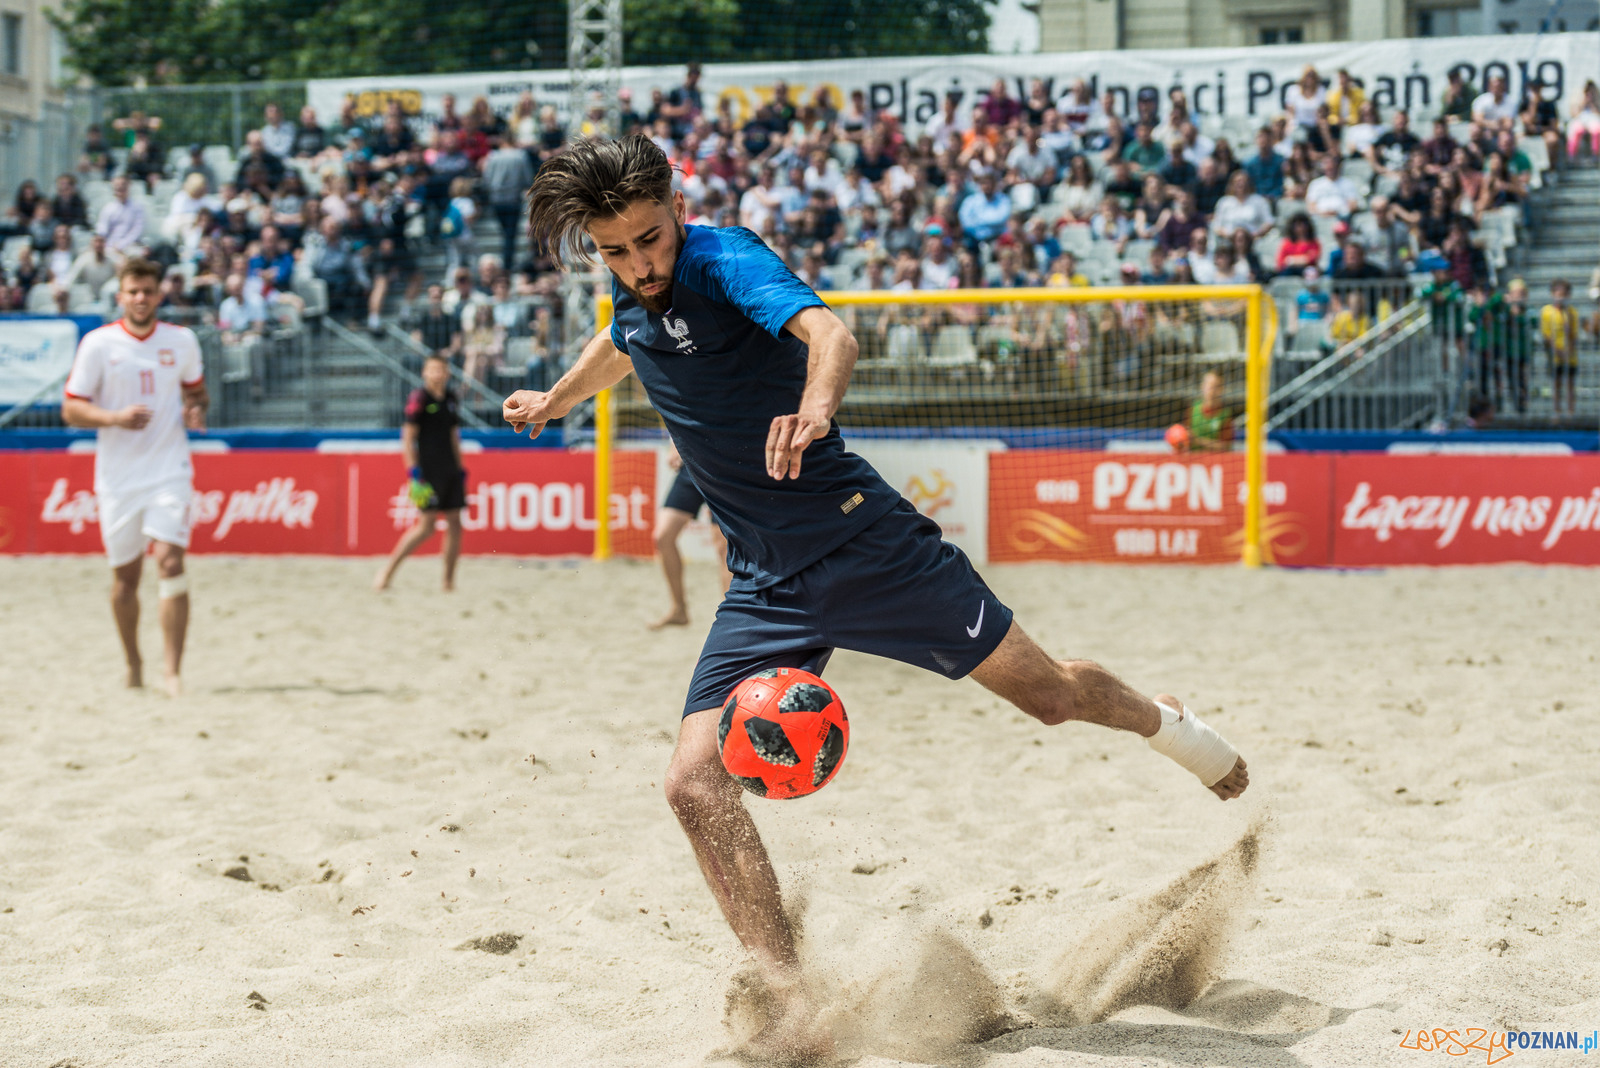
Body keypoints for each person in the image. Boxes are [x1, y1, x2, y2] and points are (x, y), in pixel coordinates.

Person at [505, 136, 1250, 1059]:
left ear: (677, 209)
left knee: (1053, 697)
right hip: (766, 582)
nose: (638, 265)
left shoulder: (724, 257)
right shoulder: (630, 285)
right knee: (691, 782)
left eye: (649, 241)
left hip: (868, 546)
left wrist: (816, 407)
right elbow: (620, 341)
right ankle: (788, 997)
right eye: (614, 251)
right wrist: (555, 400)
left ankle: (1172, 726)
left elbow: (831, 334)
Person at [60, 258, 208, 697]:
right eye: (133, 291)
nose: (141, 298)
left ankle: (172, 671)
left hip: (169, 470)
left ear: (160, 294)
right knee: (125, 580)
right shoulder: (98, 344)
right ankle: (134, 662)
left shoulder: (182, 341)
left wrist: (198, 408)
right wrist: (114, 417)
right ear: (120, 295)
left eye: (148, 290)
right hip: (118, 478)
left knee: (170, 561)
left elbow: (197, 391)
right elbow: (71, 409)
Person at [375, 354, 467, 591]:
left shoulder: (450, 397)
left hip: (450, 469)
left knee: (455, 523)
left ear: (447, 373)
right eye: (433, 369)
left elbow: (453, 436)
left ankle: (448, 582)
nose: (438, 373)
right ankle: (387, 572)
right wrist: (413, 474)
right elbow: (407, 438)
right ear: (425, 373)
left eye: (442, 369)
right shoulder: (419, 398)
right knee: (426, 526)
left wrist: (460, 467)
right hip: (427, 472)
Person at [650, 440, 731, 630]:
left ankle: (728, 621)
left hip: (724, 466)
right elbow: (677, 411)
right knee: (663, 536)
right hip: (691, 464)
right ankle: (679, 609)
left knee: (724, 548)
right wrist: (674, 445)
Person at [1540, 279, 1579, 417]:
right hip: (1555, 354)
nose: (1561, 296)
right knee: (1556, 383)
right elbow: (1546, 334)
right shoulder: (1546, 311)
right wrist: (1556, 350)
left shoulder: (1572, 312)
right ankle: (1556, 411)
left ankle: (1570, 412)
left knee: (1570, 383)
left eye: (1564, 294)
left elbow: (1574, 334)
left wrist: (1569, 350)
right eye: (1558, 293)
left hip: (1570, 354)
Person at [1186, 371, 1233, 452]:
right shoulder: (1192, 410)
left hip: (1216, 462)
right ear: (1202, 386)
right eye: (1209, 386)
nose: (1212, 390)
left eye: (1215, 386)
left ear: (1222, 389)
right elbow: (1185, 437)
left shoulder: (1225, 415)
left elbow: (1226, 446)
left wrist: (1199, 441)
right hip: (1194, 460)